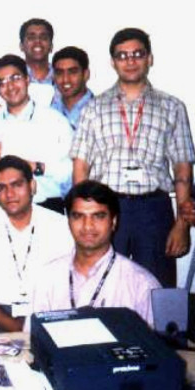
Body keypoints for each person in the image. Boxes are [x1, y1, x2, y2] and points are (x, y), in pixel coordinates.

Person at [71, 28, 195, 287]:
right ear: (112, 62)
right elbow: (80, 167)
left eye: (137, 54)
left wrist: (182, 224)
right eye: (122, 55)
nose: (130, 61)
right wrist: (82, 218)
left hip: (153, 210)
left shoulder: (172, 107)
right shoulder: (94, 108)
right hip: (105, 208)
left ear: (149, 58)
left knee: (155, 289)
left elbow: (182, 171)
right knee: (101, 285)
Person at [0, 156, 73, 332]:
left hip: (49, 316)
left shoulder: (60, 226)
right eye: (2, 188)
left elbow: (72, 287)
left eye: (17, 185)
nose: (10, 194)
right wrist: (17, 328)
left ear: (32, 186)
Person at [31, 180, 161, 327]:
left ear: (113, 222)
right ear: (68, 221)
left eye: (98, 216)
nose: (88, 226)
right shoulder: (47, 278)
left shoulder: (141, 284)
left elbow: (157, 346)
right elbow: (32, 340)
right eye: (78, 216)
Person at [0, 54, 73, 214]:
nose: (9, 87)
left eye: (15, 78)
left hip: (45, 206)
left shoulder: (55, 121)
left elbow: (71, 170)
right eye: (1, 82)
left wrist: (36, 167)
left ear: (27, 79)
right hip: (3, 208)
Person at [0, 18, 56, 106]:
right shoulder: (2, 80)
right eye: (31, 38)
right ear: (21, 46)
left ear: (51, 46)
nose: (38, 42)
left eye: (43, 37)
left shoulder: (62, 78)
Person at [51, 46, 94, 131]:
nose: (65, 79)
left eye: (73, 72)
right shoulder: (48, 110)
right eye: (59, 73)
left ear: (86, 74)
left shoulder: (101, 110)